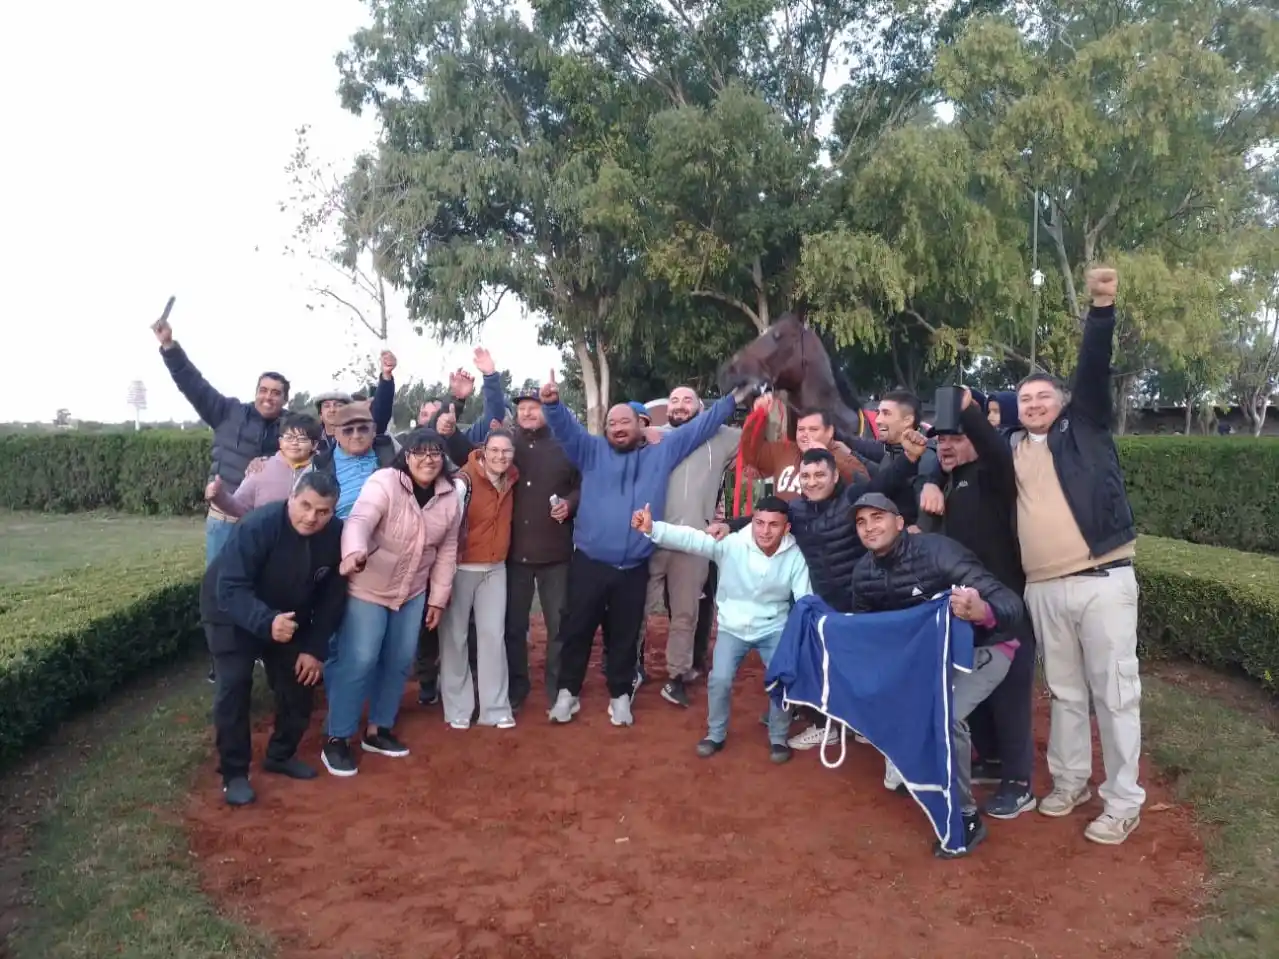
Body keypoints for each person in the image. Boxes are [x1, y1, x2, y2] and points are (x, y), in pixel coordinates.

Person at [540, 372, 757, 727]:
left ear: (641, 426)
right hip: (589, 562)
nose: (618, 427)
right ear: (606, 428)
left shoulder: (662, 452)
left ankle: (621, 695)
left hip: (634, 565)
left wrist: (735, 397)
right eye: (612, 423)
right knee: (577, 629)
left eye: (626, 421)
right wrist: (552, 404)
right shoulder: (591, 451)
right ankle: (568, 694)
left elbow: (702, 426)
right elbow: (566, 429)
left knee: (626, 633)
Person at [1012, 266, 1145, 845]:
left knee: (1115, 695)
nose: (1034, 403)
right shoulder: (1011, 448)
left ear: (1062, 402)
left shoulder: (1084, 426)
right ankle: (1071, 782)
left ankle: (1123, 798)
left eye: (1044, 396)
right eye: (1024, 398)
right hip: (1043, 587)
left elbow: (1093, 367)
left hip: (1102, 578)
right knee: (1065, 692)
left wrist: (1102, 308)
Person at [850, 492, 1028, 858]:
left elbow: (1010, 604)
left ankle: (966, 818)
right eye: (861, 522)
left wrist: (982, 611)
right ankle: (917, 767)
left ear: (900, 522)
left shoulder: (938, 552)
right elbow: (869, 631)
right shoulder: (864, 572)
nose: (870, 527)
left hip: (987, 646)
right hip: (929, 655)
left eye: (877, 517)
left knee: (946, 717)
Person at [916, 389, 1036, 819]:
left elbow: (994, 448)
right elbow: (917, 456)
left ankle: (1020, 782)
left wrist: (969, 411)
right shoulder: (948, 477)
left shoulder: (993, 472)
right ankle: (991, 758)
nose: (945, 445)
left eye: (955, 437)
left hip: (1007, 602)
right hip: (967, 606)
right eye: (940, 439)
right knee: (972, 682)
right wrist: (931, 474)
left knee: (1010, 695)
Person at [199, 472, 347, 806]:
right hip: (229, 612)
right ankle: (234, 773)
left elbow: (332, 598)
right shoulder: (257, 525)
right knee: (234, 684)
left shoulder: (336, 535)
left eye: (322, 511)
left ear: (333, 511)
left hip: (287, 616)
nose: (311, 517)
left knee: (300, 677)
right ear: (291, 497)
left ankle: (280, 754)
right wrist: (266, 623)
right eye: (305, 505)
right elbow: (230, 587)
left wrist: (314, 648)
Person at [321, 428, 462, 777]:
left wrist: (438, 598)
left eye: (435, 452)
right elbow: (360, 520)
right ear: (406, 455)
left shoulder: (449, 497)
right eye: (420, 451)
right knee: (361, 659)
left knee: (399, 660)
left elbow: (447, 551)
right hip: (368, 585)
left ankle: (378, 729)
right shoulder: (384, 482)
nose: (428, 459)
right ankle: (337, 738)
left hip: (411, 591)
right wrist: (354, 552)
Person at [635, 496, 811, 763]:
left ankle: (778, 737)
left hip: (774, 628)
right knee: (720, 680)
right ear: (752, 523)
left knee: (783, 680)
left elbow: (804, 599)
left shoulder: (795, 555)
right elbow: (691, 539)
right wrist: (653, 528)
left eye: (774, 525)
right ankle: (715, 734)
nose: (765, 531)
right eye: (759, 523)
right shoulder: (732, 544)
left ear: (786, 529)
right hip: (733, 627)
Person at [643, 385, 743, 709]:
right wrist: (643, 430)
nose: (680, 405)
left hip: (693, 541)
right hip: (647, 536)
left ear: (701, 407)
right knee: (636, 608)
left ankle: (676, 676)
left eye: (688, 400)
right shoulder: (653, 435)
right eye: (674, 399)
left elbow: (756, 440)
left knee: (685, 613)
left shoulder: (723, 437)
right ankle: (629, 669)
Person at [439, 429, 520, 729]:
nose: (501, 456)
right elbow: (447, 528)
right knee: (454, 639)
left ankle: (495, 708)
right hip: (460, 569)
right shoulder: (464, 481)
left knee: (492, 637)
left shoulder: (512, 478)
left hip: (495, 569)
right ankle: (458, 709)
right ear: (484, 450)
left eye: (507, 451)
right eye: (495, 450)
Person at [740, 398, 867, 501]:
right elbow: (752, 455)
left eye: (813, 429)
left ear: (829, 432)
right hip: (782, 528)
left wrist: (827, 457)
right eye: (801, 429)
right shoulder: (785, 450)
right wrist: (759, 416)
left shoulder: (841, 454)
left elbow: (864, 485)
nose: (805, 434)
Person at [205, 412, 322, 517]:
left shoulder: (324, 469)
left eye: (301, 439)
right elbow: (240, 507)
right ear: (280, 442)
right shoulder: (261, 468)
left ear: (314, 444)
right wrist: (219, 496)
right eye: (289, 437)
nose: (294, 443)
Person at [313, 402, 397, 519]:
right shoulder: (320, 465)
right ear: (336, 434)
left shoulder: (391, 451)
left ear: (373, 431)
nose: (356, 436)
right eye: (348, 431)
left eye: (363, 429)